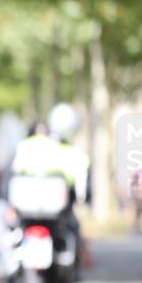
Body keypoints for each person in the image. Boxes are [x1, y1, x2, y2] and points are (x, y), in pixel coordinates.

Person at [10, 103, 91, 265]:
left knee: (12, 232)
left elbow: (14, 170)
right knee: (73, 231)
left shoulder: (29, 145)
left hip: (26, 208)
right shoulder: (73, 153)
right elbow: (81, 185)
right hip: (56, 213)